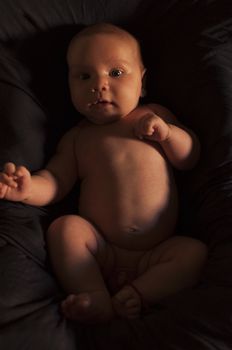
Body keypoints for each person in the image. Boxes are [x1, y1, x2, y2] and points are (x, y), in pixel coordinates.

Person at [0, 23, 207, 324]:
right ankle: (94, 294)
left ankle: (138, 294)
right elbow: (56, 182)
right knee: (65, 229)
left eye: (116, 73)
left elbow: (190, 158)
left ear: (143, 83)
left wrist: (168, 135)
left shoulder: (155, 117)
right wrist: (28, 189)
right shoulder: (77, 138)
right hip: (100, 251)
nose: (100, 85)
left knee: (194, 253)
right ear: (69, 85)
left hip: (158, 252)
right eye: (84, 76)